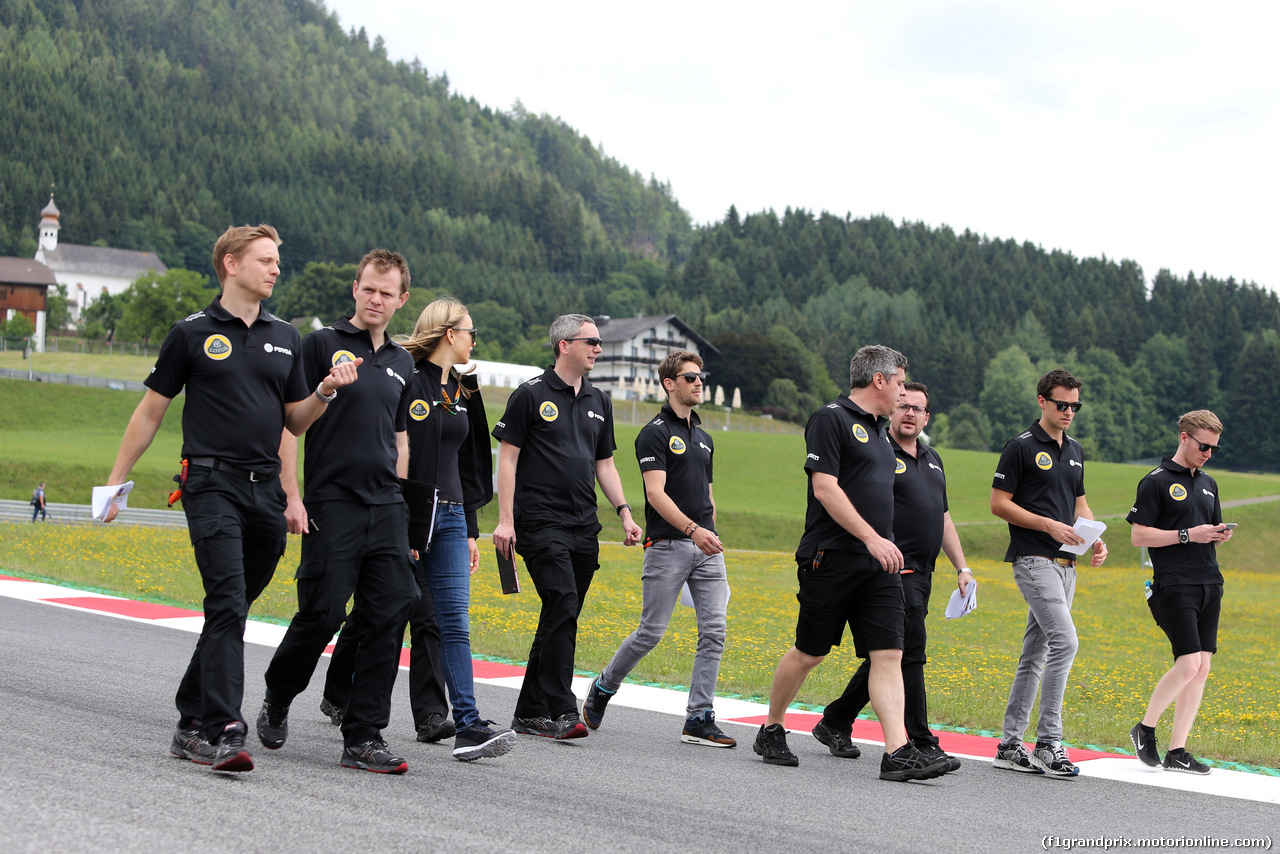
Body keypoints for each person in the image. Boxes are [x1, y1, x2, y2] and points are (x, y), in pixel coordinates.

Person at [104, 224, 354, 773]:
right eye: (265, 260)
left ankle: (190, 720)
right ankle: (222, 726)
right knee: (225, 602)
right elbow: (150, 412)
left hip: (265, 490)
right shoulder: (190, 333)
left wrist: (323, 394)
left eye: (277, 261)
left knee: (234, 605)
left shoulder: (286, 336)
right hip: (210, 483)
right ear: (231, 263)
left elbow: (294, 422)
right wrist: (117, 480)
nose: (276, 269)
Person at [324, 297, 516, 762]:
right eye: (471, 331)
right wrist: (402, 523)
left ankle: (468, 724)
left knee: (453, 622)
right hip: (408, 514)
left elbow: (469, 467)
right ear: (450, 334)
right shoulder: (407, 379)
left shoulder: (465, 390)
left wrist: (471, 526)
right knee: (381, 609)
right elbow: (394, 452)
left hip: (451, 517)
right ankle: (336, 691)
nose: (475, 340)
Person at [755, 345, 949, 782]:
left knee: (889, 654)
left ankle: (897, 751)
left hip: (879, 565)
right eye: (899, 382)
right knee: (811, 651)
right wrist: (871, 538)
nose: (903, 393)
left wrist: (886, 544)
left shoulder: (881, 432)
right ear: (878, 380)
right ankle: (771, 727)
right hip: (833, 557)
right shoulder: (831, 419)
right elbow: (825, 488)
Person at [257, 249, 417, 775]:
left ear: (401, 300)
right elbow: (289, 426)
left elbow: (399, 437)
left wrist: (405, 507)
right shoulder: (320, 344)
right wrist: (293, 497)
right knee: (323, 613)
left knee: (390, 610)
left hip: (386, 505)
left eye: (386, 292)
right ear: (355, 288)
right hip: (332, 503)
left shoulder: (401, 361)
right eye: (369, 288)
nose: (376, 299)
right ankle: (279, 693)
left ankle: (364, 736)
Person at [492, 314, 642, 739]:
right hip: (539, 522)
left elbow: (605, 464)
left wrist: (625, 513)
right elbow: (507, 457)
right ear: (564, 345)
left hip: (583, 525)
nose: (598, 348)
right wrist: (505, 520)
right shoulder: (530, 395)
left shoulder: (599, 400)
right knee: (561, 603)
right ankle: (562, 707)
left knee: (561, 614)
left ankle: (527, 713)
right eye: (592, 341)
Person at [581, 351, 735, 747]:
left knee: (714, 632)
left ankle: (699, 717)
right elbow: (655, 493)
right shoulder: (654, 432)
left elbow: (708, 494)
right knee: (652, 631)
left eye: (701, 376)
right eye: (690, 377)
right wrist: (692, 529)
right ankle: (603, 686)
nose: (698, 382)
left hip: (707, 547)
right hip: (669, 544)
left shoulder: (704, 437)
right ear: (670, 384)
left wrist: (709, 530)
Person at [815, 381, 971, 772]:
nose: (910, 414)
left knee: (890, 653)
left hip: (925, 569)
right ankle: (921, 740)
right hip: (891, 567)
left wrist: (962, 567)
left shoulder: (933, 459)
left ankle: (835, 720)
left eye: (918, 409)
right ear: (893, 410)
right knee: (909, 652)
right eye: (903, 406)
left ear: (927, 417)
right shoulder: (880, 452)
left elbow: (943, 517)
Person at [990, 368, 1107, 778]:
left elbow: (1080, 504)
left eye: (1075, 405)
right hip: (1033, 559)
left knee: (1036, 652)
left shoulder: (1074, 449)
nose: (1069, 411)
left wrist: (1094, 536)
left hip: (1066, 565)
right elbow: (999, 504)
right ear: (1042, 401)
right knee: (1066, 641)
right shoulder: (1020, 447)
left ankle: (1008, 744)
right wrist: (1046, 524)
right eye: (1062, 404)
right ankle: (1048, 742)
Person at [1126, 410, 1232, 775]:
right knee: (1187, 663)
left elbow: (1206, 526)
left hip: (1209, 582)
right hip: (1173, 584)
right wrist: (1189, 534)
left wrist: (1217, 533)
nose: (1208, 453)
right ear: (1185, 437)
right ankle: (1145, 728)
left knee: (1202, 668)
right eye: (1204, 445)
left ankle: (1178, 750)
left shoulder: (1209, 483)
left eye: (1214, 448)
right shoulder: (1155, 482)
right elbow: (1139, 536)